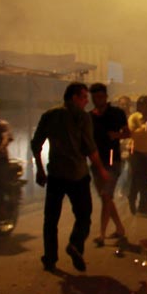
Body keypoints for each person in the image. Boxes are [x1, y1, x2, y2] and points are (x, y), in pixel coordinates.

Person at [31, 82, 109, 272]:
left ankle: (50, 258)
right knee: (84, 216)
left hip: (56, 174)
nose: (86, 102)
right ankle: (75, 244)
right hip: (77, 175)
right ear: (74, 97)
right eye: (84, 98)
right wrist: (101, 170)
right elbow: (90, 148)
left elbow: (36, 144)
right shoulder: (82, 116)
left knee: (50, 219)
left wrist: (41, 170)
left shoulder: (49, 115)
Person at [88, 83, 129, 246]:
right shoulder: (89, 116)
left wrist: (116, 135)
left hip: (113, 161)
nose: (97, 100)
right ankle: (119, 228)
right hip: (96, 162)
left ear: (105, 96)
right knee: (106, 198)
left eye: (100, 96)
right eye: (94, 97)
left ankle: (101, 235)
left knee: (106, 196)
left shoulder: (117, 113)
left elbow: (128, 133)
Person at [127, 95, 147, 216]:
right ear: (139, 106)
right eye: (145, 105)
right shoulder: (134, 117)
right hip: (136, 153)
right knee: (136, 180)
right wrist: (145, 127)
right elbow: (132, 132)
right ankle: (132, 199)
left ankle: (143, 207)